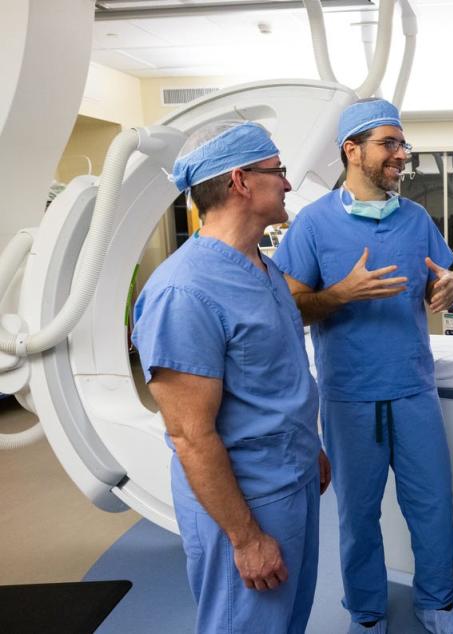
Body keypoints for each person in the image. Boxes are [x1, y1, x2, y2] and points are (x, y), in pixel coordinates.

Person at [272, 98, 453, 634]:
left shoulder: (415, 219)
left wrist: (448, 286)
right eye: (389, 143)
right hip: (349, 394)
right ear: (351, 149)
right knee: (358, 515)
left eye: (403, 144)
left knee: (431, 505)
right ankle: (366, 613)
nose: (401, 155)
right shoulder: (313, 225)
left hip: (412, 388)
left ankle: (437, 603)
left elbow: (439, 280)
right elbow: (289, 302)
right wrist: (339, 294)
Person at [132, 120, 331, 633]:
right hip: (246, 504)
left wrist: (310, 449)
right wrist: (245, 537)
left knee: (287, 621)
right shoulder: (184, 292)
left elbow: (274, 380)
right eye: (278, 171)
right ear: (241, 181)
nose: (287, 183)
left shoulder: (262, 270)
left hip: (292, 481)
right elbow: (190, 435)